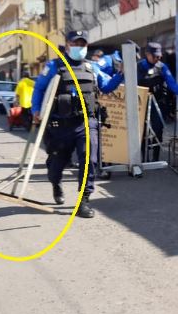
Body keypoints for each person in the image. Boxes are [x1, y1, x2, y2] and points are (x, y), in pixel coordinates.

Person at [32, 30, 124, 219]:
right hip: (60, 124)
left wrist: (120, 75)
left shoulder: (92, 68)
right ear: (67, 45)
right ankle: (56, 183)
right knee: (56, 166)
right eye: (75, 44)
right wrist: (35, 111)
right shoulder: (54, 66)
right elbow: (39, 89)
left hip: (85, 123)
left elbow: (106, 87)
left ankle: (84, 200)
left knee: (88, 159)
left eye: (82, 45)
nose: (79, 48)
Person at [136, 42, 178, 161]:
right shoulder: (138, 66)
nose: (157, 58)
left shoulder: (162, 67)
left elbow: (171, 83)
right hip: (141, 103)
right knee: (142, 130)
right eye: (154, 56)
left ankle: (155, 159)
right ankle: (143, 159)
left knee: (157, 129)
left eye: (159, 56)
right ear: (147, 54)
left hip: (157, 103)